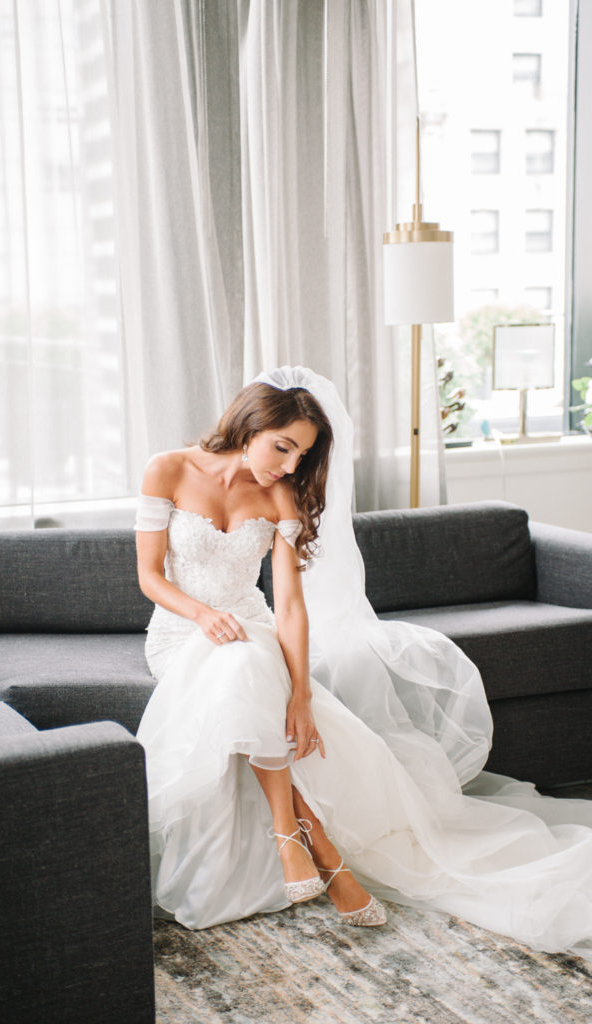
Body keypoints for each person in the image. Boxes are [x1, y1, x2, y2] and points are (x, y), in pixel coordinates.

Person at [135, 366, 592, 960]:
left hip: (251, 631)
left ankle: (296, 842)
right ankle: (314, 846)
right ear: (250, 424)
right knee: (243, 668)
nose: (290, 466)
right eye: (283, 447)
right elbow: (148, 576)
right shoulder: (167, 469)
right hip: (180, 633)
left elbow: (291, 608)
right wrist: (199, 615)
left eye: (302, 455)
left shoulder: (280, 494)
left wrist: (301, 694)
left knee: (249, 668)